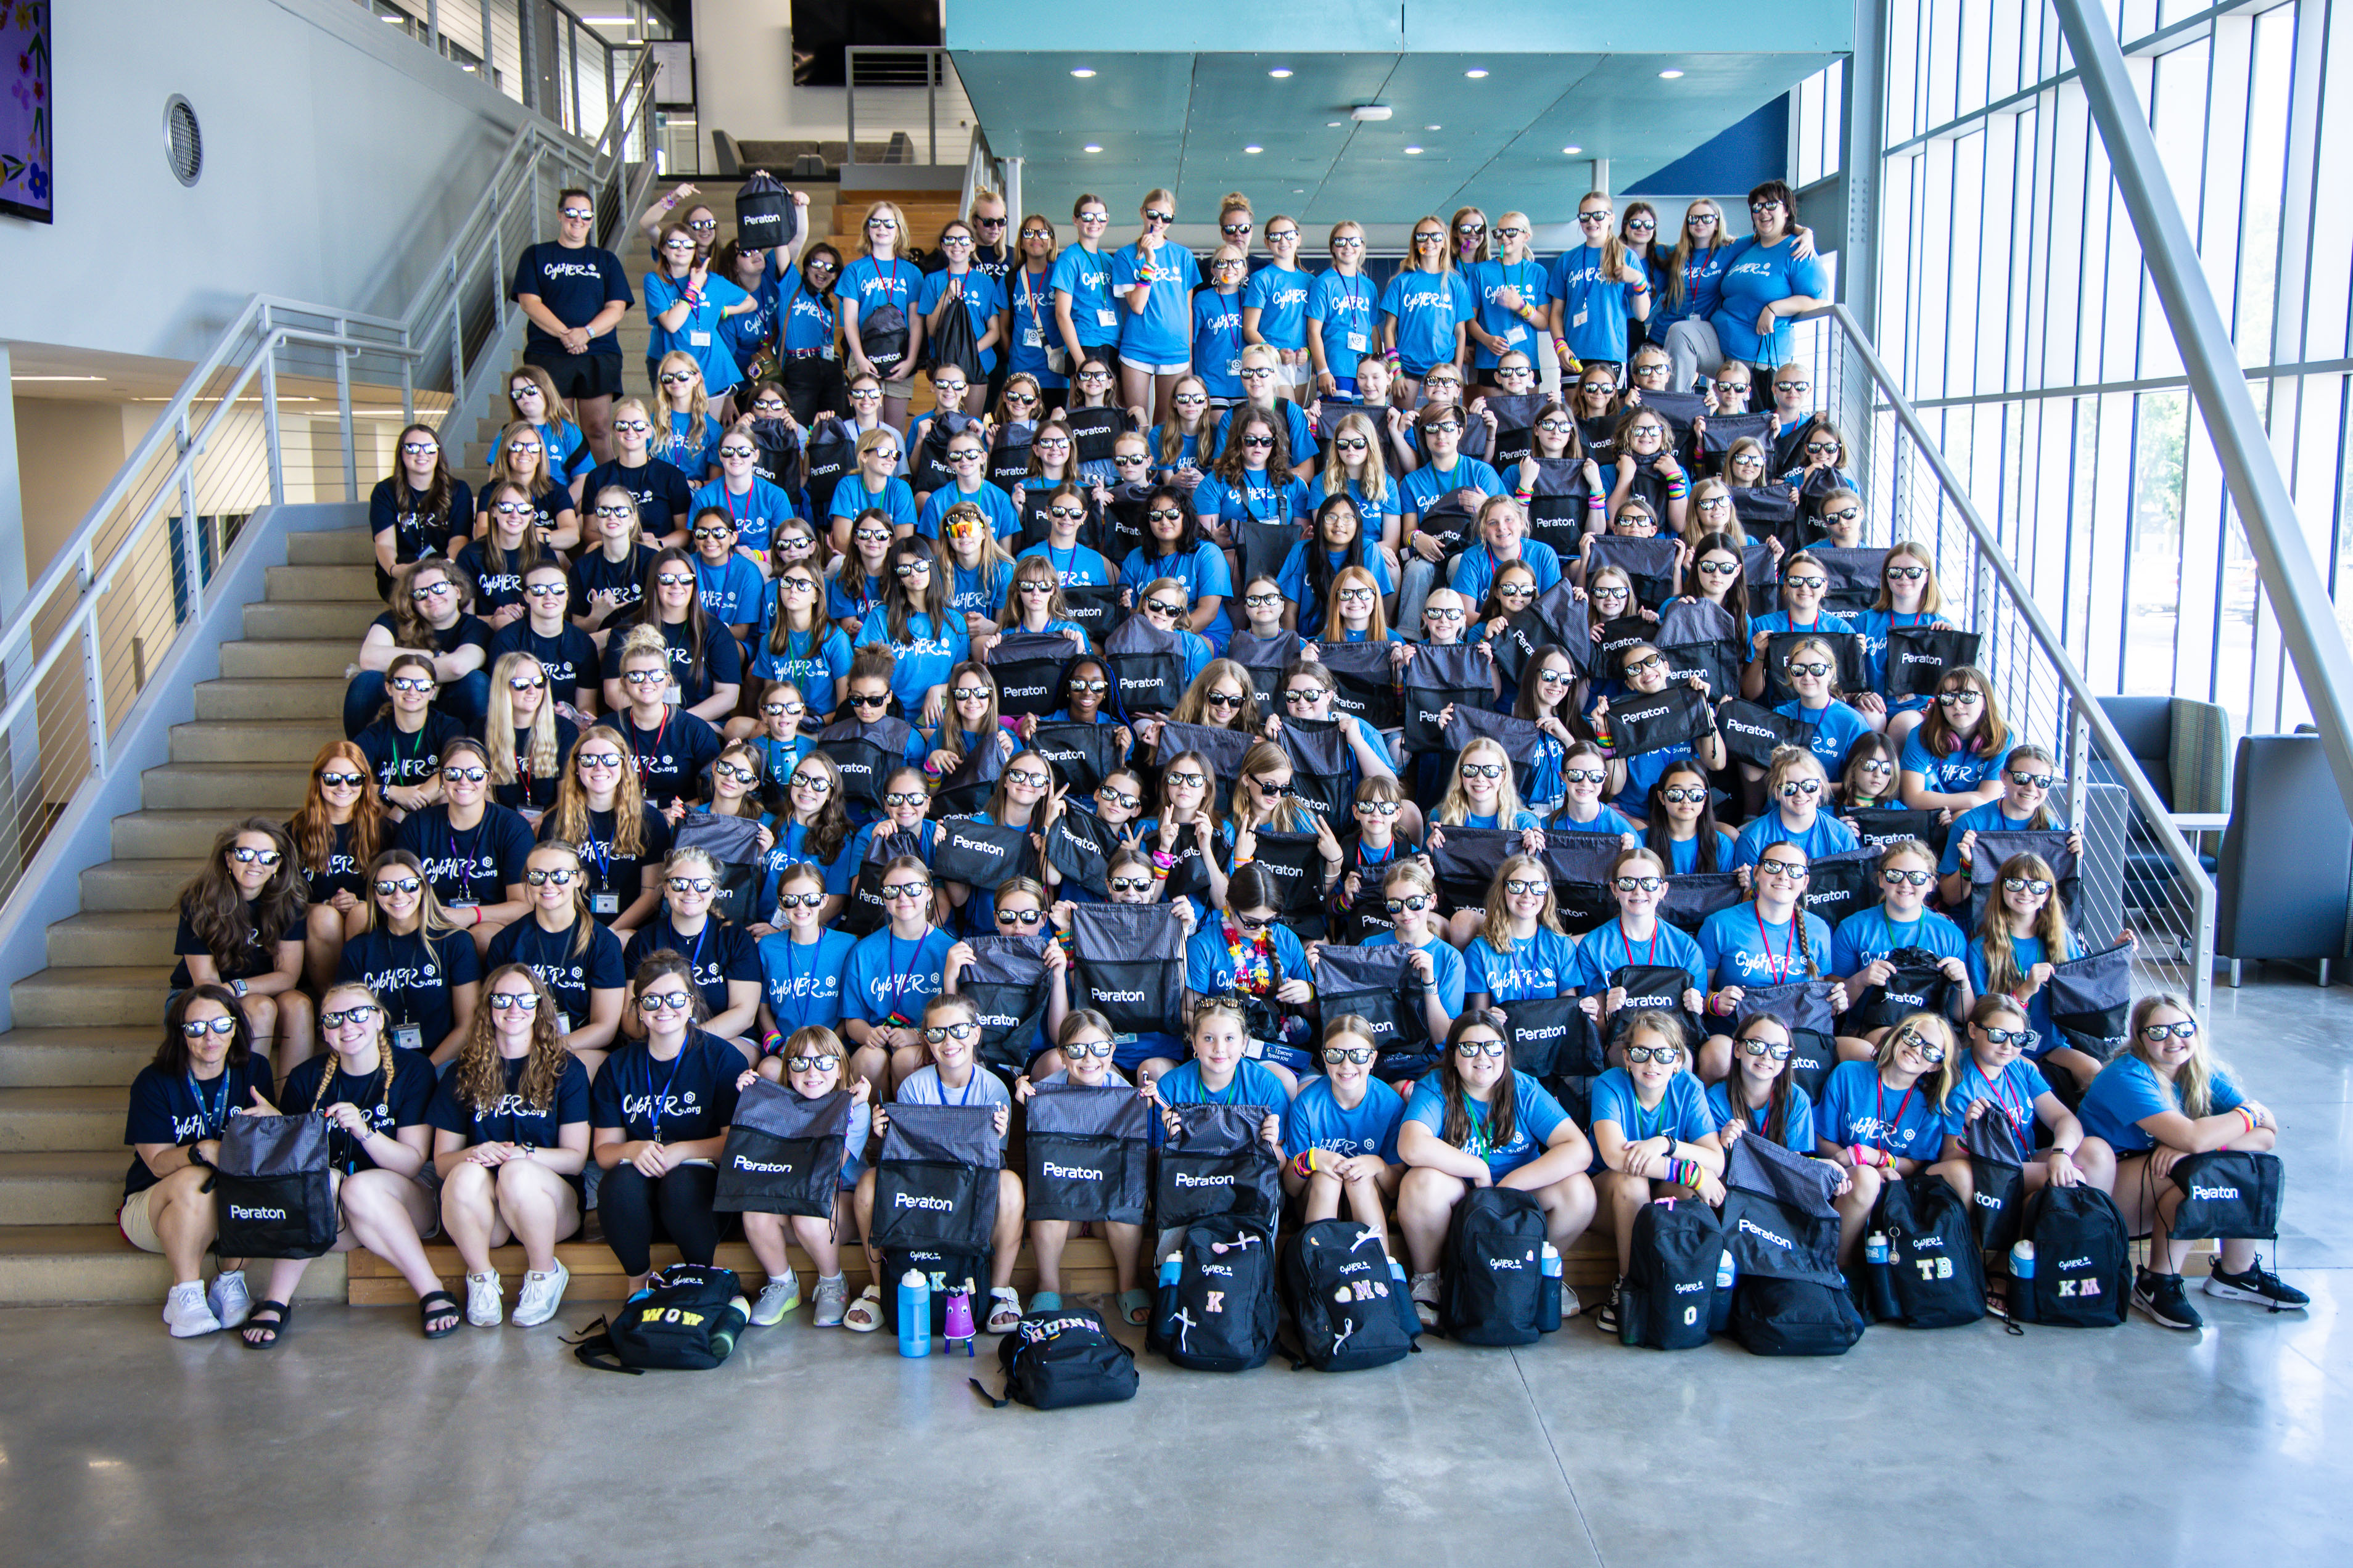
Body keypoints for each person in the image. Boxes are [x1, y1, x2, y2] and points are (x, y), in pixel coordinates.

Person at [2079, 995, 2306, 1328]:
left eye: (2182, 1028)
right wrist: (2248, 1115)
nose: (2173, 1039)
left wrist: (2203, 1146)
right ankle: (2156, 1282)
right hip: (2111, 1195)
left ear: (2196, 1031)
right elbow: (2197, 1137)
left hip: (2160, 1179)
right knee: (2195, 1173)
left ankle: (2237, 1274)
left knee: (2242, 1163)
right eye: (2158, 1031)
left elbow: (2266, 1137)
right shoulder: (2127, 1076)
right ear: (2139, 1037)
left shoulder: (2201, 1071)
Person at [245, 981, 452, 1345]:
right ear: (324, 1032)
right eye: (334, 1019)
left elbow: (411, 1163)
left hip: (406, 1204)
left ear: (378, 1020)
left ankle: (431, 1290)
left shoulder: (413, 1070)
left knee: (360, 1185)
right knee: (318, 1183)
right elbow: (296, 1164)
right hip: (338, 1219)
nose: (347, 1026)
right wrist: (277, 1123)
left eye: (358, 1014)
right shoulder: (306, 1078)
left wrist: (364, 1131)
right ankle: (277, 1300)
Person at [1395, 1011, 1597, 1325]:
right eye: (1469, 1047)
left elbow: (1579, 1149)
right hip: (1463, 1195)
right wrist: (1478, 1169)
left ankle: (1535, 1272)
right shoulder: (1436, 1085)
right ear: (1452, 1054)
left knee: (1580, 1190)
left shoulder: (1524, 1088)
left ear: (1505, 1051)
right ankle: (1427, 1279)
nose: (1482, 1057)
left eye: (1492, 1047)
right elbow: (1411, 1145)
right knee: (1420, 1182)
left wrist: (1510, 1187)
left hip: (1519, 1198)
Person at [845, 993, 1030, 1334]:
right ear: (924, 1039)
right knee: (871, 1182)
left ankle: (1000, 1292)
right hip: (923, 1185)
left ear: (976, 1033)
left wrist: (993, 1142)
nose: (949, 1041)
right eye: (937, 1033)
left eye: (959, 1030)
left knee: (1011, 1184)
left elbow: (991, 1167)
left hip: (971, 1188)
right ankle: (879, 1288)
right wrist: (888, 1135)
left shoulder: (994, 1089)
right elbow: (908, 1161)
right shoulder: (916, 1085)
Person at [431, 964, 593, 1328]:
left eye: (524, 999)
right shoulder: (462, 1072)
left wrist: (526, 1155)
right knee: (463, 1174)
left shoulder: (567, 1069)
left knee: (517, 1170)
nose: (513, 1008)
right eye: (502, 999)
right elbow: (442, 1162)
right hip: (490, 1216)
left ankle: (544, 1273)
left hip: (550, 1205)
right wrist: (475, 1153)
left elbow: (576, 1159)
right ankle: (482, 1279)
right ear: (488, 1007)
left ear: (540, 1007)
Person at [587, 953, 746, 1294]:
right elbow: (604, 1151)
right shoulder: (618, 1066)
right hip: (640, 1204)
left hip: (699, 1196)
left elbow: (734, 1144)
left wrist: (680, 1152)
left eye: (675, 999)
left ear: (691, 1004)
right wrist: (632, 1148)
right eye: (652, 1000)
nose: (664, 1008)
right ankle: (638, 1285)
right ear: (639, 1009)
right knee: (618, 1183)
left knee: (682, 1183)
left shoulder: (722, 1058)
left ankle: (699, 1281)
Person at [120, 986, 272, 1337]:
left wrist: (275, 1118)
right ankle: (185, 1294)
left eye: (220, 1024)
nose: (210, 1036)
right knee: (196, 1178)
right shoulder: (154, 1081)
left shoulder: (254, 1070)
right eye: (196, 1028)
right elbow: (157, 1164)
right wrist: (201, 1150)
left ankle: (230, 1282)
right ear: (180, 1033)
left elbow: (265, 1148)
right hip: (158, 1208)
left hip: (226, 1209)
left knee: (255, 1177)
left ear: (235, 1027)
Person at [1003, 1012, 1148, 1323]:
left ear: (1112, 1050)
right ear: (1061, 1053)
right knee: (1049, 1206)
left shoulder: (1125, 1094)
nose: (1089, 1059)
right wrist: (1026, 1104)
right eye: (1077, 1050)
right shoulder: (1045, 1093)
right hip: (1064, 1208)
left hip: (1104, 1210)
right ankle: (1048, 1286)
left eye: (1099, 1048)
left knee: (1126, 1204)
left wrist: (1146, 1106)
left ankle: (1129, 1283)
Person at [1589, 1010, 1726, 1331]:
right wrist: (1693, 1173)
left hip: (1658, 1194)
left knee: (1686, 1192)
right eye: (1642, 1053)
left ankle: (1673, 1282)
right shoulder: (1609, 1084)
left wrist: (1667, 1144)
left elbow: (1716, 1161)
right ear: (1627, 1057)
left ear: (1678, 1061)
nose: (1653, 1064)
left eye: (1664, 1055)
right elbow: (1615, 1157)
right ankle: (1628, 1286)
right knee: (1632, 1179)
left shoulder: (1689, 1088)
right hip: (1609, 1199)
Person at [1816, 1014, 1972, 1270]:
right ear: (1899, 1035)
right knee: (1866, 1178)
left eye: (1930, 1050)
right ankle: (1836, 1267)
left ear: (1935, 1065)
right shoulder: (1848, 1074)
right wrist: (1861, 1161)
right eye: (1913, 1037)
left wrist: (1879, 1159)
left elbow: (1916, 1162)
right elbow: (1822, 1140)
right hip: (1846, 1180)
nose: (1916, 1049)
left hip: (1896, 1187)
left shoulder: (1929, 1104)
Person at [736, 1024, 869, 1327]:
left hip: (836, 1204)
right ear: (789, 1071)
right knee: (754, 1210)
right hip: (791, 1200)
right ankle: (783, 1283)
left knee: (807, 1215)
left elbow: (829, 1168)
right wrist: (750, 1100)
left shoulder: (855, 1107)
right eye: (800, 1062)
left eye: (823, 1061)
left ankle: (833, 1282)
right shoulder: (778, 1104)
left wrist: (854, 1103)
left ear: (840, 1070)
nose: (812, 1072)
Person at [1966, 850, 2118, 1094]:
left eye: (2037, 886)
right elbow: (1982, 1013)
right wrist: (2024, 991)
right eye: (2015, 883)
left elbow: (2085, 988)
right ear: (2001, 889)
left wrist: (2114, 954)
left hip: (2051, 1045)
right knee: (2032, 1076)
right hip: (2003, 1046)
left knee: (2095, 1071)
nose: (2026, 892)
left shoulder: (2062, 940)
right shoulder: (1982, 948)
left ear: (2048, 894)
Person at [169, 818, 312, 1070]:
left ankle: (291, 1103)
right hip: (202, 996)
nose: (255, 863)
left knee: (299, 1005)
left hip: (252, 989)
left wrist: (238, 987)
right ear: (228, 859)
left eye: (267, 856)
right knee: (262, 1008)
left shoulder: (289, 902)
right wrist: (236, 993)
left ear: (278, 864)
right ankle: (248, 1099)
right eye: (245, 854)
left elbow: (288, 975)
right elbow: (206, 982)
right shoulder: (200, 901)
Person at [1696, 837, 1842, 1082]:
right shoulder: (1719, 924)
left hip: (1793, 1038)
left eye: (1794, 870)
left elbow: (1817, 999)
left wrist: (1836, 1002)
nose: (1784, 876)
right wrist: (1715, 1002)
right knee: (1717, 1055)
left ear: (1805, 882)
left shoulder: (1819, 929)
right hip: (1734, 1034)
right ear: (1757, 873)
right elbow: (1698, 994)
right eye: (1774, 866)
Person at [484, 840, 630, 1065]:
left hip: (577, 1048)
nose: (548, 884)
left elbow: (605, 1029)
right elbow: (495, 1015)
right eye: (537, 876)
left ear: (579, 879)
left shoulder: (602, 943)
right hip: (517, 1045)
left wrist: (547, 1050)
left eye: (559, 876)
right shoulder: (506, 942)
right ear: (527, 882)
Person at [1955, 994, 2112, 1202]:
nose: (2008, 1046)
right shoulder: (1957, 1078)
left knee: (2097, 1152)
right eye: (1998, 1035)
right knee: (2068, 1181)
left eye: (2019, 1038)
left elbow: (2064, 1119)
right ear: (1973, 1030)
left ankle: (2100, 1223)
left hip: (2025, 1159)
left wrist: (2061, 1153)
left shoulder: (2020, 1067)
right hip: (1985, 1168)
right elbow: (1953, 1157)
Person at [336, 848, 482, 1067]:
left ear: (423, 887)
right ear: (374, 893)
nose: (398, 895)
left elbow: (468, 1026)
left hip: (442, 1064)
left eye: (409, 885)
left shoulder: (455, 942)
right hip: (379, 1064)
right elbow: (350, 1024)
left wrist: (424, 1071)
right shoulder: (358, 950)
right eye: (386, 888)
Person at [1831, 838, 1972, 1061]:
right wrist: (1861, 979)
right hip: (1867, 1033)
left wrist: (1962, 982)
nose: (1905, 884)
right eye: (1895, 875)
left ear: (1931, 884)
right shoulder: (1854, 928)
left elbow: (1962, 1015)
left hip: (1931, 1036)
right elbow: (1832, 1005)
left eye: (1916, 877)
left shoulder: (1949, 935)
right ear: (1880, 879)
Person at [392, 737, 535, 956]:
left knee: (482, 936)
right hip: (430, 920)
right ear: (441, 779)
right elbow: (401, 892)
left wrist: (471, 915)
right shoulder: (417, 825)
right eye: (453, 774)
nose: (464, 781)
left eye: (475, 774)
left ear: (490, 779)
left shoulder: (512, 827)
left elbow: (524, 906)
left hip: (488, 921)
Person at [1182, 862, 1319, 1087]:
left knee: (1312, 1093)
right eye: (1252, 922)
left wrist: (1309, 992)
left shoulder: (1286, 939)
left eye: (1270, 921)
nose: (1262, 930)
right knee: (1283, 1083)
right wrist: (1224, 1036)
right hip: (1225, 1051)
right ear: (1229, 906)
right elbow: (1188, 1011)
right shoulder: (1204, 945)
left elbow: (1313, 1012)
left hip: (1279, 1043)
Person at [1282, 1016, 1406, 1247]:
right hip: (1316, 1200)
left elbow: (1395, 1188)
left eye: (1358, 1055)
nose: (1346, 1066)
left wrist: (1377, 1165)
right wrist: (1311, 1160)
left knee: (1360, 1180)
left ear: (1372, 1059)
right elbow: (1291, 1187)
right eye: (1336, 1055)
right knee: (1327, 1178)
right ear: (1324, 1059)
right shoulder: (1307, 1104)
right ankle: (1319, 1269)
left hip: (1369, 1199)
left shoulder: (1389, 1104)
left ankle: (1384, 1269)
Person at [621, 847, 764, 1048]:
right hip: (658, 1040)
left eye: (702, 885)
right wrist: (669, 1039)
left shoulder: (735, 938)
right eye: (679, 883)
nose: (690, 891)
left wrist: (688, 1040)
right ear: (666, 887)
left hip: (725, 1040)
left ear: (715, 889)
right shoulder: (644, 941)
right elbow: (630, 1018)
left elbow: (744, 1015)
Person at [839, 855, 956, 1093]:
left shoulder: (950, 950)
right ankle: (872, 1126)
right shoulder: (864, 951)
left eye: (913, 889)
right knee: (870, 1058)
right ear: (884, 897)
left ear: (929, 893)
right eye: (893, 890)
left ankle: (908, 1127)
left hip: (930, 1043)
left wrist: (918, 1036)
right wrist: (869, 1034)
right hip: (878, 1044)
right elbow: (852, 1021)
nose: (903, 897)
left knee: (907, 1059)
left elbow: (958, 1018)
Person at [344, 557, 490, 739]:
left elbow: (457, 666)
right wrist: (433, 655)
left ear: (458, 591)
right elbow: (369, 658)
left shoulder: (475, 627)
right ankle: (358, 758)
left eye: (439, 587)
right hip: (400, 704)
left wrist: (403, 669)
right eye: (420, 593)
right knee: (367, 682)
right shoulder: (393, 620)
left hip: (449, 709)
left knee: (476, 682)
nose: (431, 597)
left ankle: (468, 761)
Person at [542, 728, 671, 932]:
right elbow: (551, 890)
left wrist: (609, 934)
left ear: (623, 765)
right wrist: (581, 932)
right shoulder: (555, 822)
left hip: (627, 930)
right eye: (589, 759)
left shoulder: (650, 820)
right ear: (576, 766)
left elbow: (651, 893)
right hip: (571, 927)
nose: (599, 767)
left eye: (610, 759)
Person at [1395, 402, 1508, 631]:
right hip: (1430, 552)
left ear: (1460, 432)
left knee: (1460, 563)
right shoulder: (1412, 482)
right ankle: (1409, 639)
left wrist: (1485, 506)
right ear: (1424, 434)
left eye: (1448, 427)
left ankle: (1462, 636)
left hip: (1469, 551)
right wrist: (1417, 539)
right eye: (1432, 428)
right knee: (1417, 569)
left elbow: (1509, 520)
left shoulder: (1481, 472)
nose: (1440, 434)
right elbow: (1407, 532)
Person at [1567, 845, 1710, 1023]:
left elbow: (1693, 1023)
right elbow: (1599, 1028)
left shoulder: (1687, 949)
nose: (1638, 891)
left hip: (1671, 1044)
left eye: (1648, 882)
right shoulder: (1593, 947)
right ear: (1614, 889)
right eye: (1628, 882)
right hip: (1619, 1042)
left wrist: (1697, 1009)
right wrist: (1609, 1014)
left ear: (1663, 890)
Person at [1713, 181, 1830, 387]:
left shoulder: (1798, 251)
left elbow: (1816, 299)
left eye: (1771, 205)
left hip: (1759, 361)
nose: (1763, 212)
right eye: (1757, 208)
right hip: (1722, 355)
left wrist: (1774, 308)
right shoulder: (1749, 246)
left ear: (1786, 210)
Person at [597, 626, 726, 812]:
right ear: (623, 683)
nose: (647, 681)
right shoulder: (605, 729)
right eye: (636, 675)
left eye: (656, 674)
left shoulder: (695, 730)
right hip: (618, 818)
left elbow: (712, 792)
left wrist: (671, 814)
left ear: (668, 679)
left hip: (677, 821)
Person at [291, 740, 386, 991]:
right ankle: (328, 1003)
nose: (343, 786)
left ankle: (361, 1000)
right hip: (316, 924)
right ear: (318, 780)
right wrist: (324, 905)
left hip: (366, 916)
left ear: (365, 782)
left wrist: (360, 903)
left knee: (362, 914)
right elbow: (282, 899)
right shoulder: (294, 833)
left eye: (354, 779)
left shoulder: (384, 831)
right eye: (333, 778)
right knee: (325, 918)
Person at [1938, 744, 2071, 906]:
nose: (2031, 788)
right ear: (2004, 777)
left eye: (2042, 781)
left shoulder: (2054, 831)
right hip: (1982, 921)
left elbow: (2060, 901)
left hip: (2033, 923)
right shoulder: (1970, 824)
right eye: (2022, 778)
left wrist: (2074, 855)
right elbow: (1949, 898)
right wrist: (1970, 865)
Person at [1113, 187, 1201, 425]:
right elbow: (1137, 305)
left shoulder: (1183, 256)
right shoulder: (1125, 255)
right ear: (1142, 213)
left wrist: (1190, 358)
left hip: (1175, 347)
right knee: (1136, 421)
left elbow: (1188, 311)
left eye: (1166, 217)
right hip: (1138, 345)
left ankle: (1160, 465)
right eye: (1153, 214)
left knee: (1166, 425)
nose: (1159, 221)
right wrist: (1149, 262)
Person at [1361, 860, 1468, 1055]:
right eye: (1395, 905)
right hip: (1377, 1053)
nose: (1405, 912)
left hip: (1426, 1056)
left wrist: (1429, 983)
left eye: (1414, 903)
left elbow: (1441, 1038)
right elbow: (1355, 1013)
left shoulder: (1451, 958)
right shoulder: (1369, 947)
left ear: (1432, 901)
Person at [838, 199, 925, 430]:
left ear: (899, 230)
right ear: (867, 229)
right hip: (865, 358)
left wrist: (911, 361)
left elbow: (916, 321)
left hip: (900, 360)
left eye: (889, 223)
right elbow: (849, 320)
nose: (882, 228)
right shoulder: (855, 271)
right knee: (869, 429)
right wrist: (860, 358)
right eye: (875, 223)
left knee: (894, 431)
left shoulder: (912, 272)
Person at [1547, 192, 1650, 382]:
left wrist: (1638, 281)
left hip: (1610, 352)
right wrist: (1560, 346)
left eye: (1598, 215)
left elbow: (1642, 314)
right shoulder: (1567, 260)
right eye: (1585, 216)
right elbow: (1556, 312)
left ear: (1611, 218)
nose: (1591, 221)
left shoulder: (1626, 257)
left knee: (1608, 412)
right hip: (1574, 354)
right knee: (1575, 412)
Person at [368, 431, 474, 604]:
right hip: (401, 569)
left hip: (444, 566)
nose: (421, 453)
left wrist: (446, 567)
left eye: (430, 448)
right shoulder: (384, 491)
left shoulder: (458, 489)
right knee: (406, 562)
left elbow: (459, 540)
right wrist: (395, 570)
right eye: (412, 448)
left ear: (439, 453)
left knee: (441, 570)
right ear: (401, 452)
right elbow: (384, 543)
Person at [352, 652, 463, 818]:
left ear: (433, 692)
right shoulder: (374, 734)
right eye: (403, 683)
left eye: (422, 685)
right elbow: (352, 780)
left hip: (429, 811)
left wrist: (404, 808)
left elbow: (457, 770)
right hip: (386, 815)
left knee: (450, 795)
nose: (412, 691)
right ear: (389, 688)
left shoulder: (448, 727)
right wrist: (393, 792)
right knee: (367, 803)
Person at [581, 398, 694, 549]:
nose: (630, 431)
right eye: (622, 425)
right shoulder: (597, 477)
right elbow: (589, 531)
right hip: (614, 551)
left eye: (638, 426)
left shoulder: (672, 476)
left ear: (649, 431)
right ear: (615, 431)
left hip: (658, 553)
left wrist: (657, 543)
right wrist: (619, 542)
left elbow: (685, 532)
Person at [746, 565, 852, 726]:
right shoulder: (771, 639)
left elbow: (844, 708)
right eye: (787, 582)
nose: (793, 589)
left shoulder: (836, 639)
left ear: (816, 595)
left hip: (824, 724)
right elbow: (772, 699)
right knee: (734, 727)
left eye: (803, 584)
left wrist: (812, 724)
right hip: (784, 724)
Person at [1902, 664, 2013, 811]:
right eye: (1948, 697)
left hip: (1972, 815)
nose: (1957, 705)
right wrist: (1970, 801)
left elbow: (1989, 799)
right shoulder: (1922, 735)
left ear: (1985, 702)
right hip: (1931, 815)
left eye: (1967, 696)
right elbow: (1913, 799)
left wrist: (1965, 809)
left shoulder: (2002, 737)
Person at [1707, 1012, 1818, 1155]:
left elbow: (1792, 1167)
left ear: (1786, 1060)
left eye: (1778, 1050)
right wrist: (1722, 1145)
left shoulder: (1797, 1100)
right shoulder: (1714, 1100)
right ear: (1737, 1049)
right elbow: (1715, 1167)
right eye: (1756, 1045)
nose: (1766, 1056)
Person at [1731, 746, 1860, 869]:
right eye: (1790, 788)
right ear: (1777, 792)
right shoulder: (1753, 838)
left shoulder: (1842, 836)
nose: (1800, 794)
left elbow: (1852, 889)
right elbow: (1748, 891)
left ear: (1820, 788)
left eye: (1809, 786)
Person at [1656, 198, 1736, 395]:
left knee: (1672, 392)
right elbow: (1637, 245)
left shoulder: (1730, 249)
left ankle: (1677, 412)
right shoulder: (1674, 253)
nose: (1700, 223)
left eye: (1707, 218)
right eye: (1693, 218)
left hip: (1695, 336)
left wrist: (1805, 234)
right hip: (1661, 334)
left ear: (1717, 223)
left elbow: (1769, 235)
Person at [571, 487, 659, 644]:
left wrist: (611, 636)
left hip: (643, 644)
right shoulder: (581, 568)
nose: (612, 516)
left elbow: (656, 620)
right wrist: (597, 615)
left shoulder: (651, 560)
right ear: (597, 520)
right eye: (604, 511)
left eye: (621, 511)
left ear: (632, 519)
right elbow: (577, 632)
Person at [691, 433, 796, 566]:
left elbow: (787, 549)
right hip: (717, 563)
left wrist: (756, 555)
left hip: (763, 564)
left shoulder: (775, 495)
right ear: (720, 456)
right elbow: (699, 547)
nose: (736, 457)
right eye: (728, 451)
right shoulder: (705, 496)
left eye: (744, 452)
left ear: (756, 455)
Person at [495, 364, 596, 493]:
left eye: (531, 391)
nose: (524, 397)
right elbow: (496, 477)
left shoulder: (568, 431)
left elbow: (584, 479)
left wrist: (561, 506)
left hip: (560, 503)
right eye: (517, 394)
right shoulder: (507, 432)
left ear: (546, 390)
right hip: (518, 507)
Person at [778, 243, 847, 425]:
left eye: (831, 267)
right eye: (817, 264)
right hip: (799, 367)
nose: (823, 270)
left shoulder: (828, 308)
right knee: (797, 427)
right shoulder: (792, 285)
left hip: (828, 367)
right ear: (807, 266)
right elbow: (781, 247)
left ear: (835, 276)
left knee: (834, 427)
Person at [1004, 214, 1069, 410]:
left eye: (1043, 233)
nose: (1036, 238)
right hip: (1022, 371)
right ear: (1021, 243)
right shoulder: (1011, 278)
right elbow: (1003, 328)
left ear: (1051, 242)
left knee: (1053, 432)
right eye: (1029, 233)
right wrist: (1016, 356)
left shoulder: (1061, 272)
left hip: (1055, 370)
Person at [1050, 193, 1119, 376]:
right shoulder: (1069, 259)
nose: (1094, 222)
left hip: (1113, 342)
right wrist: (1079, 360)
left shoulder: (1110, 261)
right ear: (1075, 219)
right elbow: (1062, 314)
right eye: (1088, 217)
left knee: (1113, 404)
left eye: (1101, 217)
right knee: (1084, 404)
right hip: (1085, 342)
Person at [917, 427, 1021, 541]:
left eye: (971, 454)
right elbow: (937, 556)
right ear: (950, 462)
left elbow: (1005, 555)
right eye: (956, 455)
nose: (964, 460)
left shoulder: (1001, 499)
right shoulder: (936, 501)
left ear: (983, 457)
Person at [1644, 761, 1737, 876]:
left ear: (1705, 798)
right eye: (1676, 793)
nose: (1686, 800)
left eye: (1695, 794)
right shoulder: (1642, 841)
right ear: (1662, 797)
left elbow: (1726, 892)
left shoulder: (1722, 845)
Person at [645, 351, 725, 479]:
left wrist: (693, 485)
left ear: (696, 378)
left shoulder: (713, 429)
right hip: (658, 493)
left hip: (695, 494)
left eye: (682, 376)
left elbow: (714, 484)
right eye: (668, 377)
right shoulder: (650, 423)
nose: (675, 381)